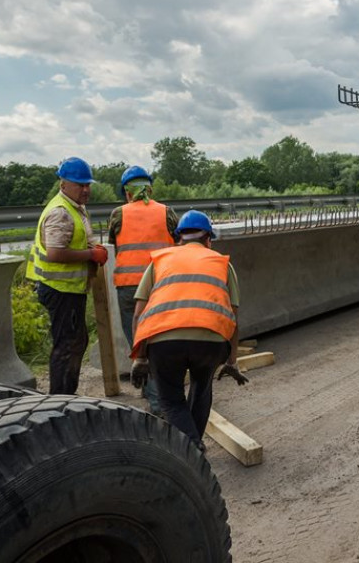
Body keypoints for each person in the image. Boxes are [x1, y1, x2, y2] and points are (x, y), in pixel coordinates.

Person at [130, 210, 248, 451]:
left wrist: (140, 357)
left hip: (164, 343)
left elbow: (138, 314)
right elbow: (233, 318)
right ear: (208, 240)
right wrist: (232, 360)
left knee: (171, 399)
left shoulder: (160, 260)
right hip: (211, 341)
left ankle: (192, 448)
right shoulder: (222, 263)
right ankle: (194, 447)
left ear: (179, 239)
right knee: (201, 388)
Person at [26, 157, 108, 394]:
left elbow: (78, 238)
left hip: (68, 289)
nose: (86, 189)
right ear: (64, 185)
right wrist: (91, 254)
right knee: (67, 346)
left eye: (87, 184)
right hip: (60, 290)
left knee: (76, 341)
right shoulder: (61, 212)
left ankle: (65, 396)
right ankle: (60, 400)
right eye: (80, 185)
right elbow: (55, 253)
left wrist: (93, 248)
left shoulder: (74, 207)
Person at [107, 165, 177, 414]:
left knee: (140, 347)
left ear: (126, 193)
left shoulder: (118, 214)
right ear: (150, 188)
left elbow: (116, 246)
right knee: (162, 343)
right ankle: (163, 399)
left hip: (128, 289)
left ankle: (156, 401)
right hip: (162, 286)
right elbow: (177, 244)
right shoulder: (167, 213)